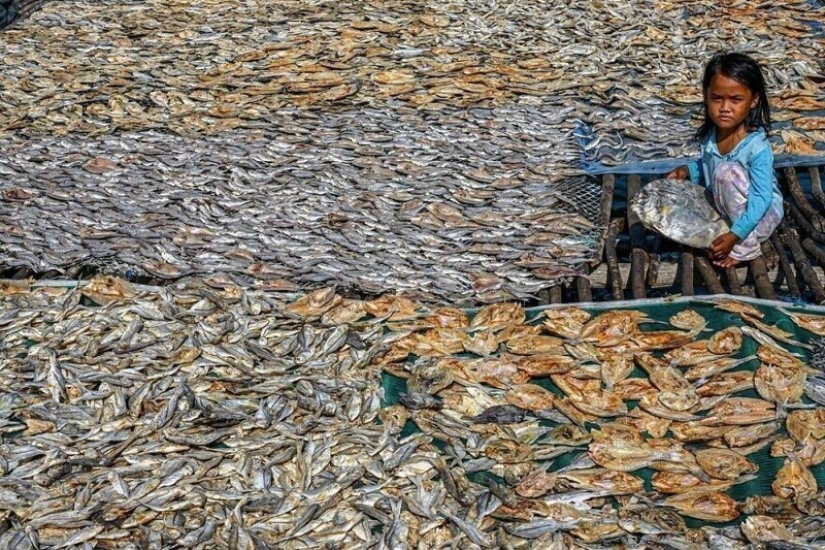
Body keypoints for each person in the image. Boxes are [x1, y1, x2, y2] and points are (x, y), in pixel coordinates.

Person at [667, 51, 783, 268]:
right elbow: (709, 165)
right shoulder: (712, 136)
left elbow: (761, 199)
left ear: (753, 100)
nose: (725, 108)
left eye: (736, 100)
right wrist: (688, 170)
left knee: (726, 173)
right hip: (728, 208)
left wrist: (735, 236)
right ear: (706, 96)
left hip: (761, 218)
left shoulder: (757, 147)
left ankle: (746, 248)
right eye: (717, 98)